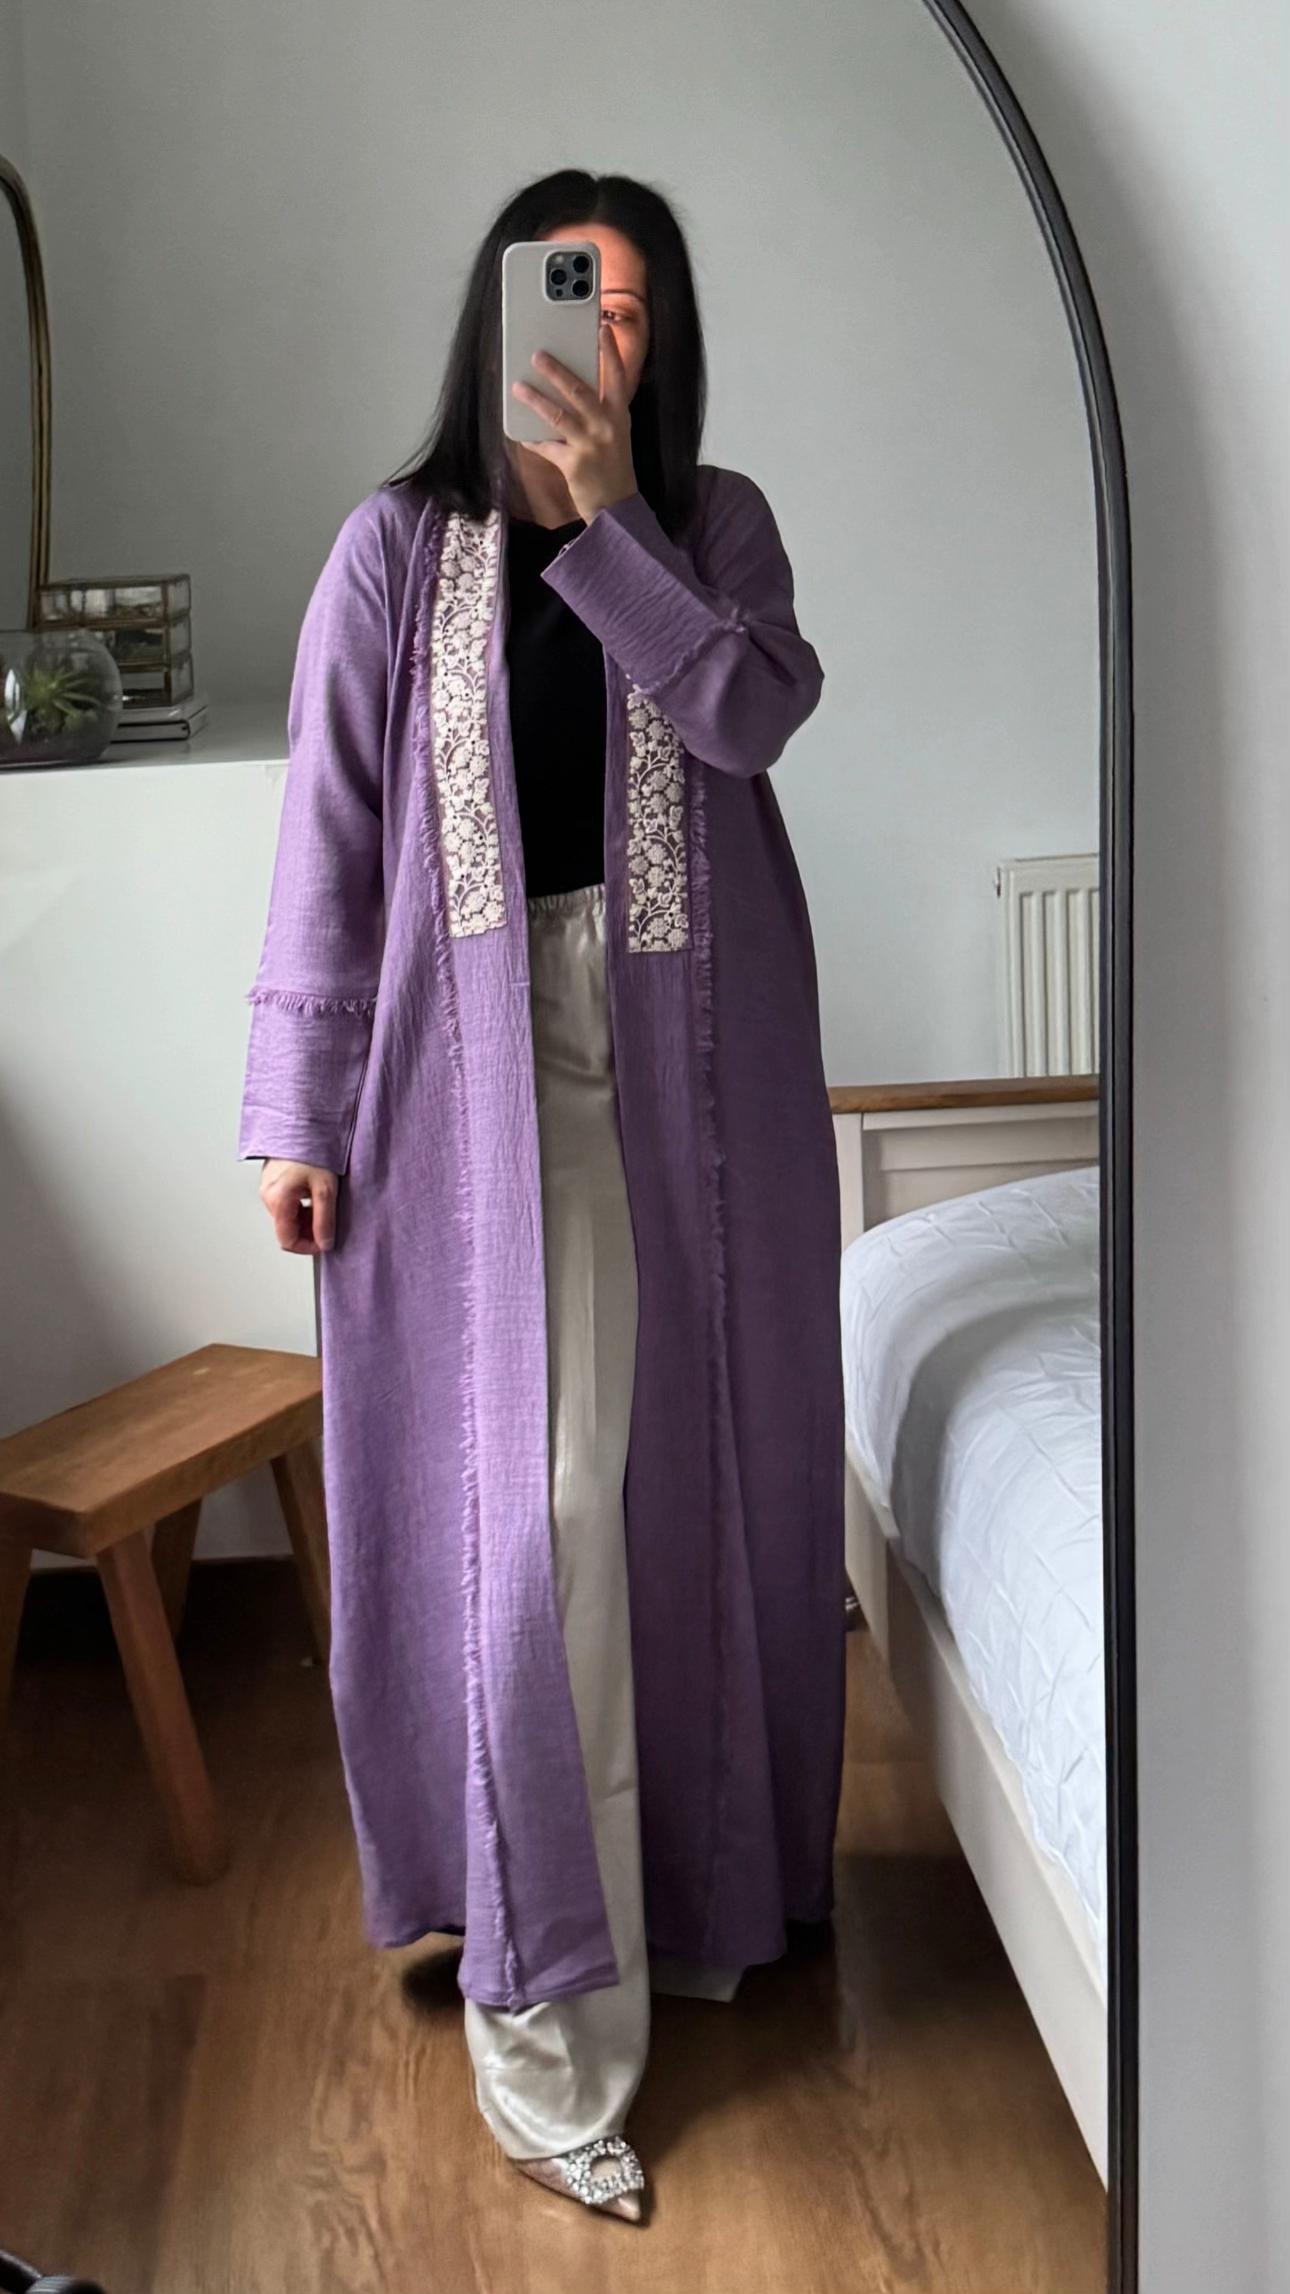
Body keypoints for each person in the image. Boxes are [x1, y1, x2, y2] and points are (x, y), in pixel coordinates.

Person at [239, 168, 847, 2224]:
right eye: (578, 298)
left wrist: (610, 532)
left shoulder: (713, 526)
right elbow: (330, 836)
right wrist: (296, 1112)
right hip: (469, 1087)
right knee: (542, 1518)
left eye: (639, 311)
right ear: (502, 318)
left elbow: (750, 713)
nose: (611, 338)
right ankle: (550, 2006)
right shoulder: (393, 550)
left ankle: (698, 1898)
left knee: (694, 1484)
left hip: (697, 1074)